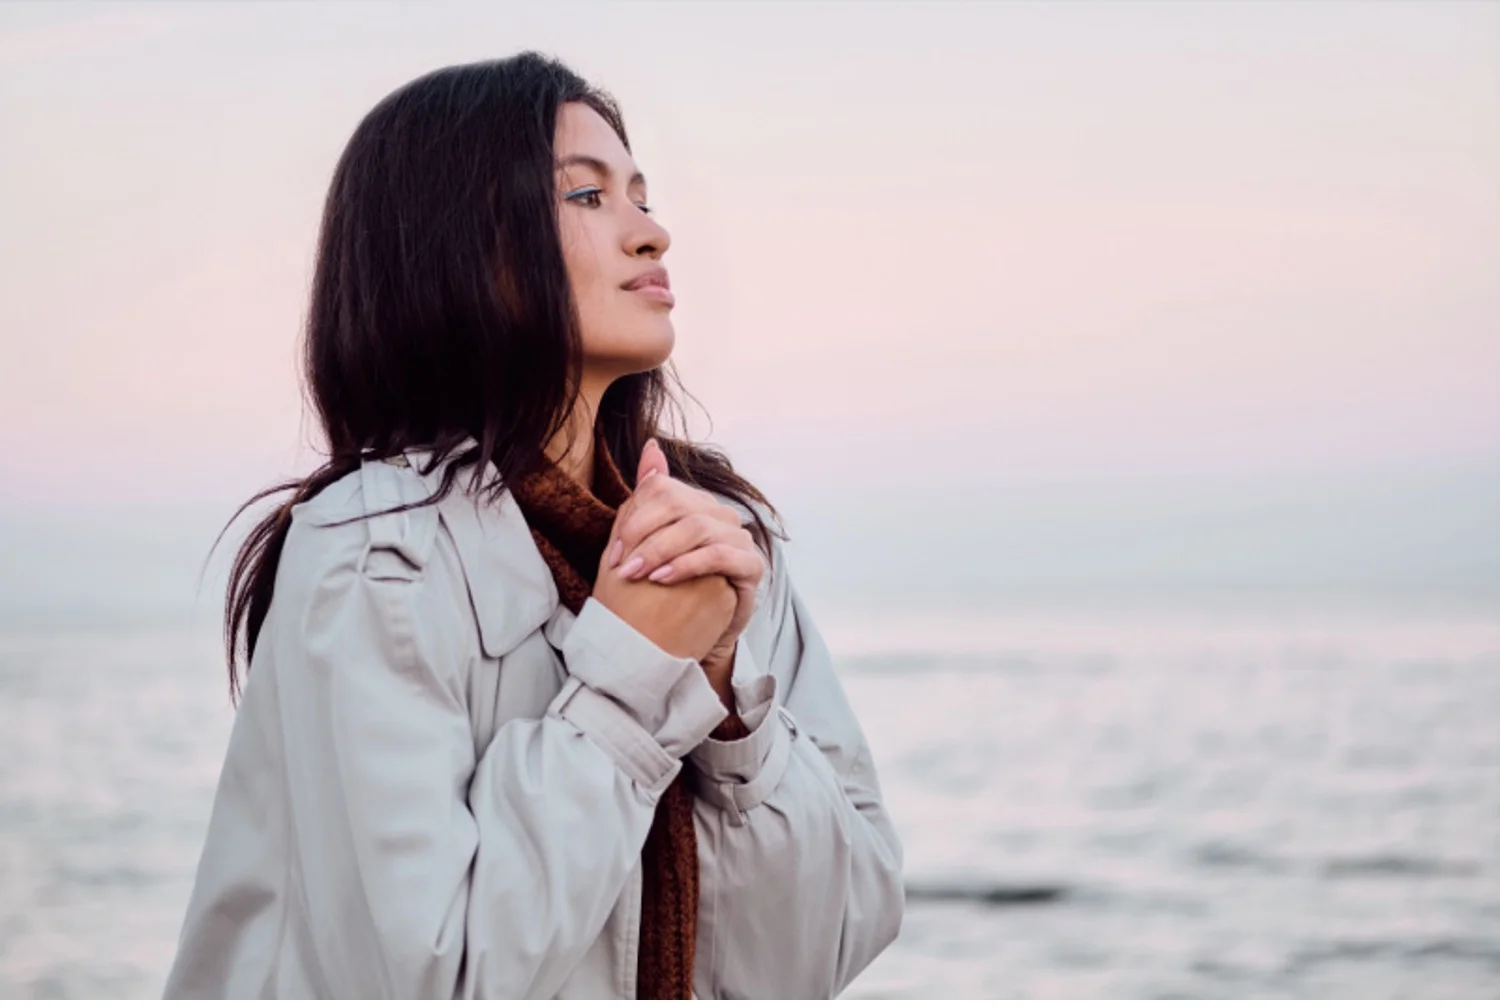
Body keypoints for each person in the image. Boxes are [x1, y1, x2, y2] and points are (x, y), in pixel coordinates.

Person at [164, 52, 904, 1000]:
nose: (653, 233)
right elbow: (431, 978)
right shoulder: (373, 551)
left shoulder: (715, 537)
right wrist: (635, 683)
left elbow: (832, 941)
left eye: (641, 193)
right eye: (586, 197)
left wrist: (721, 702)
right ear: (459, 244)